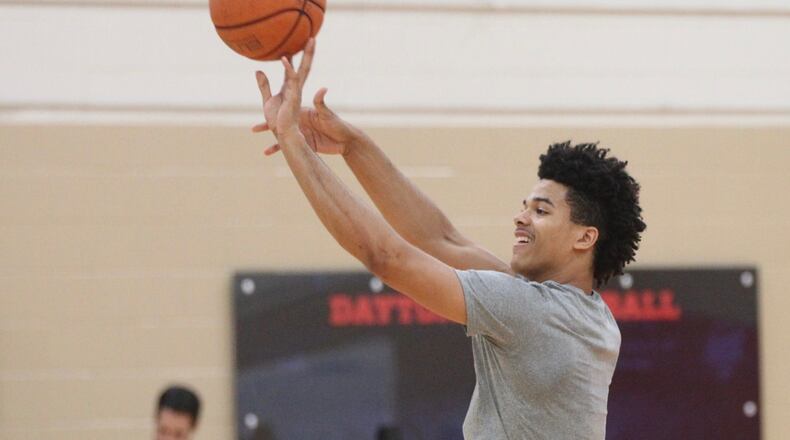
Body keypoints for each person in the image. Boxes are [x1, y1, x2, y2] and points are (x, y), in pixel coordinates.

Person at [253, 39, 646, 439]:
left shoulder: (530, 311)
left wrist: (292, 140)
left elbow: (386, 256)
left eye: (540, 211)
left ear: (585, 238)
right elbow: (440, 239)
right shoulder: (589, 315)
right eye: (525, 205)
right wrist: (354, 146)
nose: (520, 217)